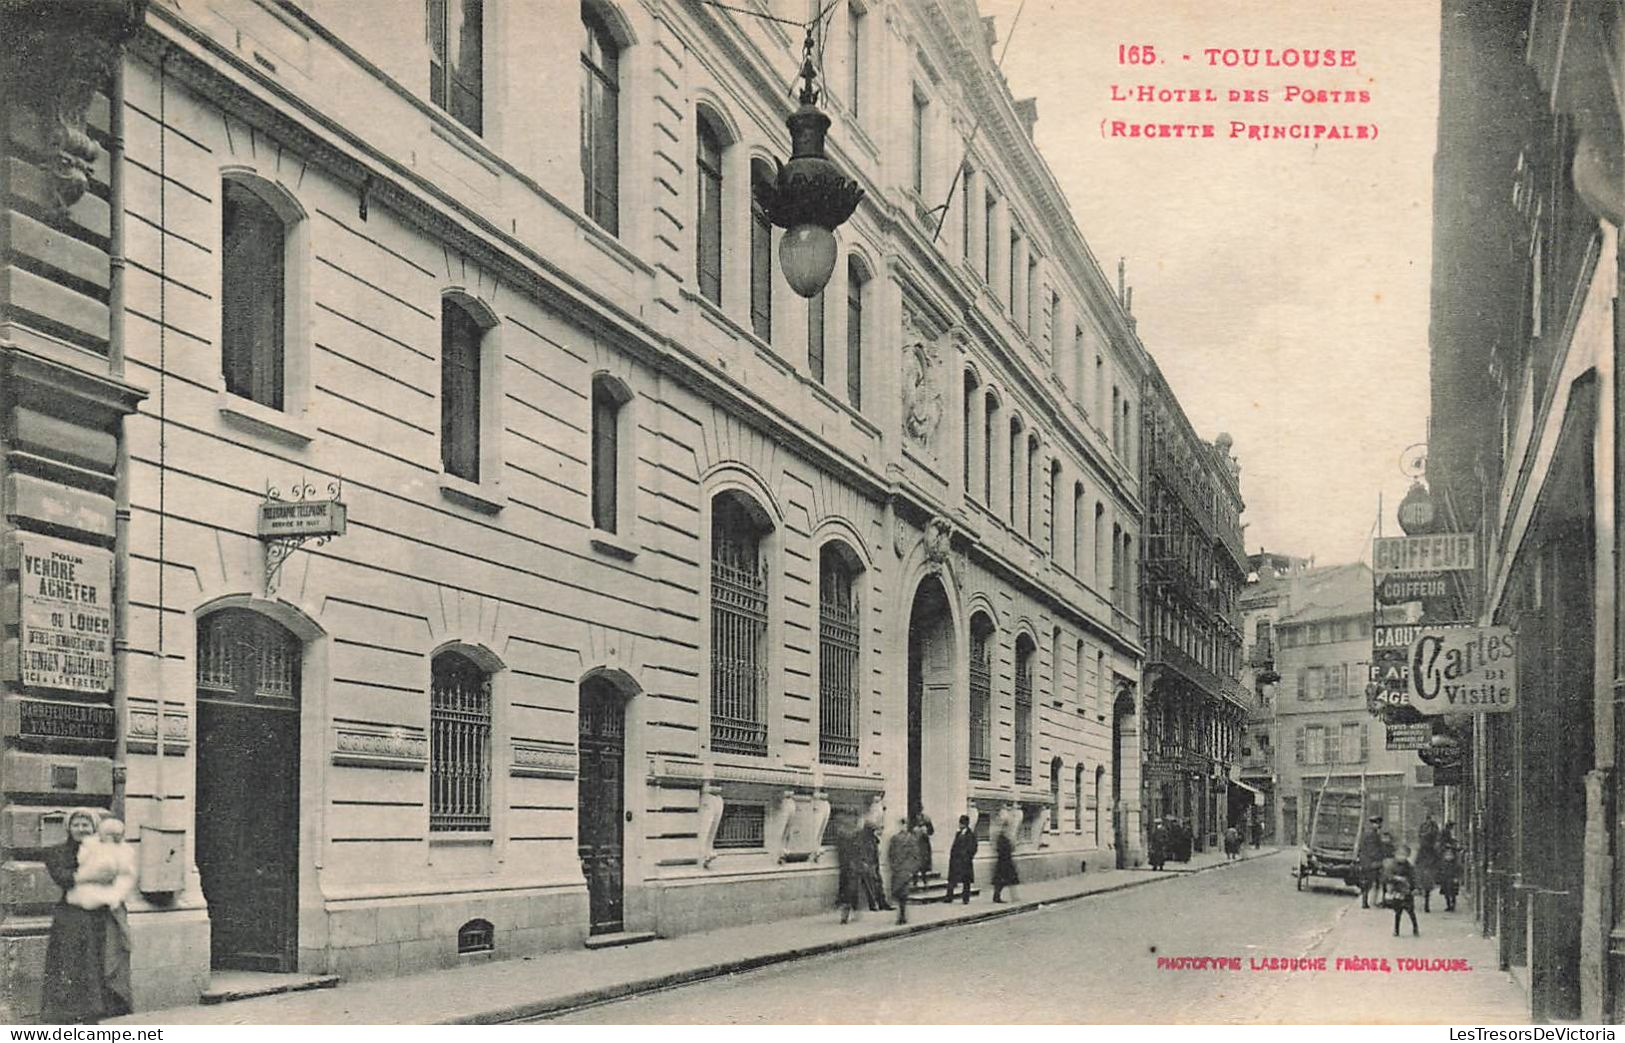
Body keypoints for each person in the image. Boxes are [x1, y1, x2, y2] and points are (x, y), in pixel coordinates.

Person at [41, 808, 111, 1023]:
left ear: (93, 828)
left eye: (85, 825)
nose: (81, 829)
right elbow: (65, 879)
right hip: (69, 917)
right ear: (69, 828)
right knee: (67, 965)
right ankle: (64, 1017)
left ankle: (91, 1015)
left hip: (96, 917)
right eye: (76, 825)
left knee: (93, 966)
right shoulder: (57, 853)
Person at [68, 818, 135, 1018]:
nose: (111, 840)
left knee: (115, 955)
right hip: (90, 910)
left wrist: (112, 896)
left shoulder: (125, 852)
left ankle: (115, 1002)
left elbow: (124, 879)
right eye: (107, 835)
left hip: (112, 912)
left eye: (116, 836)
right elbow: (84, 874)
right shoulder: (91, 849)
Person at [886, 819, 920, 924]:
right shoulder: (894, 839)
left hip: (905, 870)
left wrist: (912, 870)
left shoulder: (911, 839)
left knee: (903, 894)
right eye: (901, 825)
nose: (902, 827)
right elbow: (890, 854)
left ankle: (902, 915)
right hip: (898, 869)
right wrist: (893, 866)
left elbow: (915, 856)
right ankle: (902, 915)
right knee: (898, 893)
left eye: (904, 825)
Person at [834, 814, 865, 924]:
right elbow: (859, 850)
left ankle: (845, 915)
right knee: (852, 891)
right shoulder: (854, 836)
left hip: (845, 867)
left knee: (845, 891)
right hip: (852, 867)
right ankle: (850, 913)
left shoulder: (841, 835)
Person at [1389, 844, 1420, 936]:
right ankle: (1396, 929)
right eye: (1399, 854)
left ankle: (1415, 928)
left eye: (1403, 855)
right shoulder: (1393, 866)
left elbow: (1413, 878)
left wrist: (1414, 888)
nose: (1401, 857)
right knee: (1397, 913)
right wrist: (1395, 878)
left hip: (1407, 891)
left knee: (1410, 911)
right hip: (1397, 891)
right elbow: (1387, 876)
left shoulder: (1409, 867)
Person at [860, 820, 891, 911]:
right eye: (872, 830)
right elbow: (861, 853)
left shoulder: (873, 839)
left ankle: (883, 903)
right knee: (870, 885)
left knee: (879, 883)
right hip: (867, 865)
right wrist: (864, 863)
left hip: (874, 864)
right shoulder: (862, 840)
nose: (874, 832)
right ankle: (873, 904)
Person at [1356, 815, 1385, 909]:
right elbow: (1372, 850)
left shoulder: (1370, 833)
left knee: (1369, 882)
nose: (1378, 825)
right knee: (1371, 881)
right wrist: (1380, 858)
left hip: (1366, 861)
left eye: (1378, 823)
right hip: (1371, 862)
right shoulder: (1372, 835)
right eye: (1376, 823)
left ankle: (1368, 902)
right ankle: (1369, 902)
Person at [946, 815, 977, 904]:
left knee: (966, 881)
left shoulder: (971, 835)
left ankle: (965, 898)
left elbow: (973, 847)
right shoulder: (958, 833)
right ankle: (949, 897)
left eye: (961, 823)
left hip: (965, 861)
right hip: (956, 860)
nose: (959, 825)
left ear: (965, 824)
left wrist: (968, 856)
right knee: (952, 879)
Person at [1415, 817, 1440, 914]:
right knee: (1427, 885)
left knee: (1426, 884)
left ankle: (1426, 902)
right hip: (1427, 865)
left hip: (1427, 865)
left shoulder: (1425, 845)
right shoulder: (1430, 846)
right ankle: (1426, 903)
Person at [991, 818, 1019, 903]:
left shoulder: (1005, 837)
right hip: (1004, 861)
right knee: (1004, 880)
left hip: (1006, 861)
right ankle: (999, 896)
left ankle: (1012, 896)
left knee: (1007, 880)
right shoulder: (1002, 837)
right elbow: (1002, 849)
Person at [1437, 835, 1461, 913]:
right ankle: (1448, 905)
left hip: (1451, 879)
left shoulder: (1455, 864)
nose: (1448, 857)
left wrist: (1456, 878)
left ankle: (1453, 904)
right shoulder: (1443, 863)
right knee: (1446, 893)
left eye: (1450, 855)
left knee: (1452, 892)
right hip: (1445, 879)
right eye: (1446, 855)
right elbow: (1440, 870)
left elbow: (1458, 870)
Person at [912, 813, 935, 888]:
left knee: (923, 864)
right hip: (917, 847)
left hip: (923, 847)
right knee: (916, 865)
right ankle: (916, 881)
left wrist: (926, 832)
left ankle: (924, 880)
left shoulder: (925, 824)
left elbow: (930, 832)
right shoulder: (915, 828)